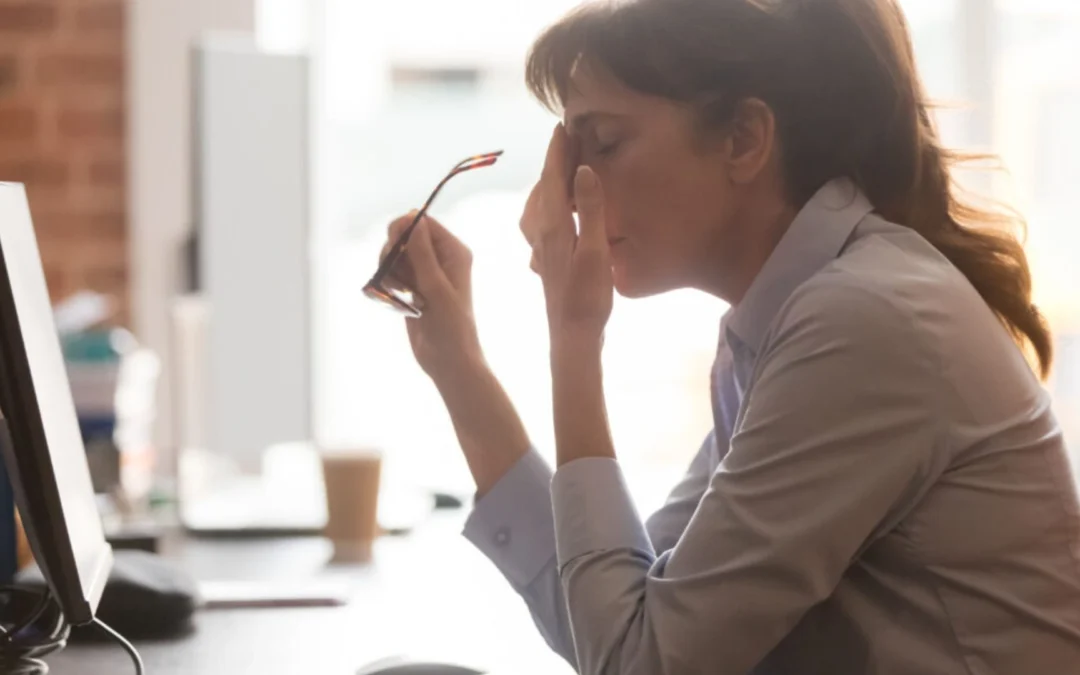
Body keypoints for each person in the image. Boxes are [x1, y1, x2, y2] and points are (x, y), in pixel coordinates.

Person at [376, 0, 1080, 673]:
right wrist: (459, 366)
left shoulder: (862, 323)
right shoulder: (792, 318)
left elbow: (635, 661)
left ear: (744, 139)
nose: (561, 191)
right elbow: (615, 615)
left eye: (604, 143)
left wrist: (574, 332)